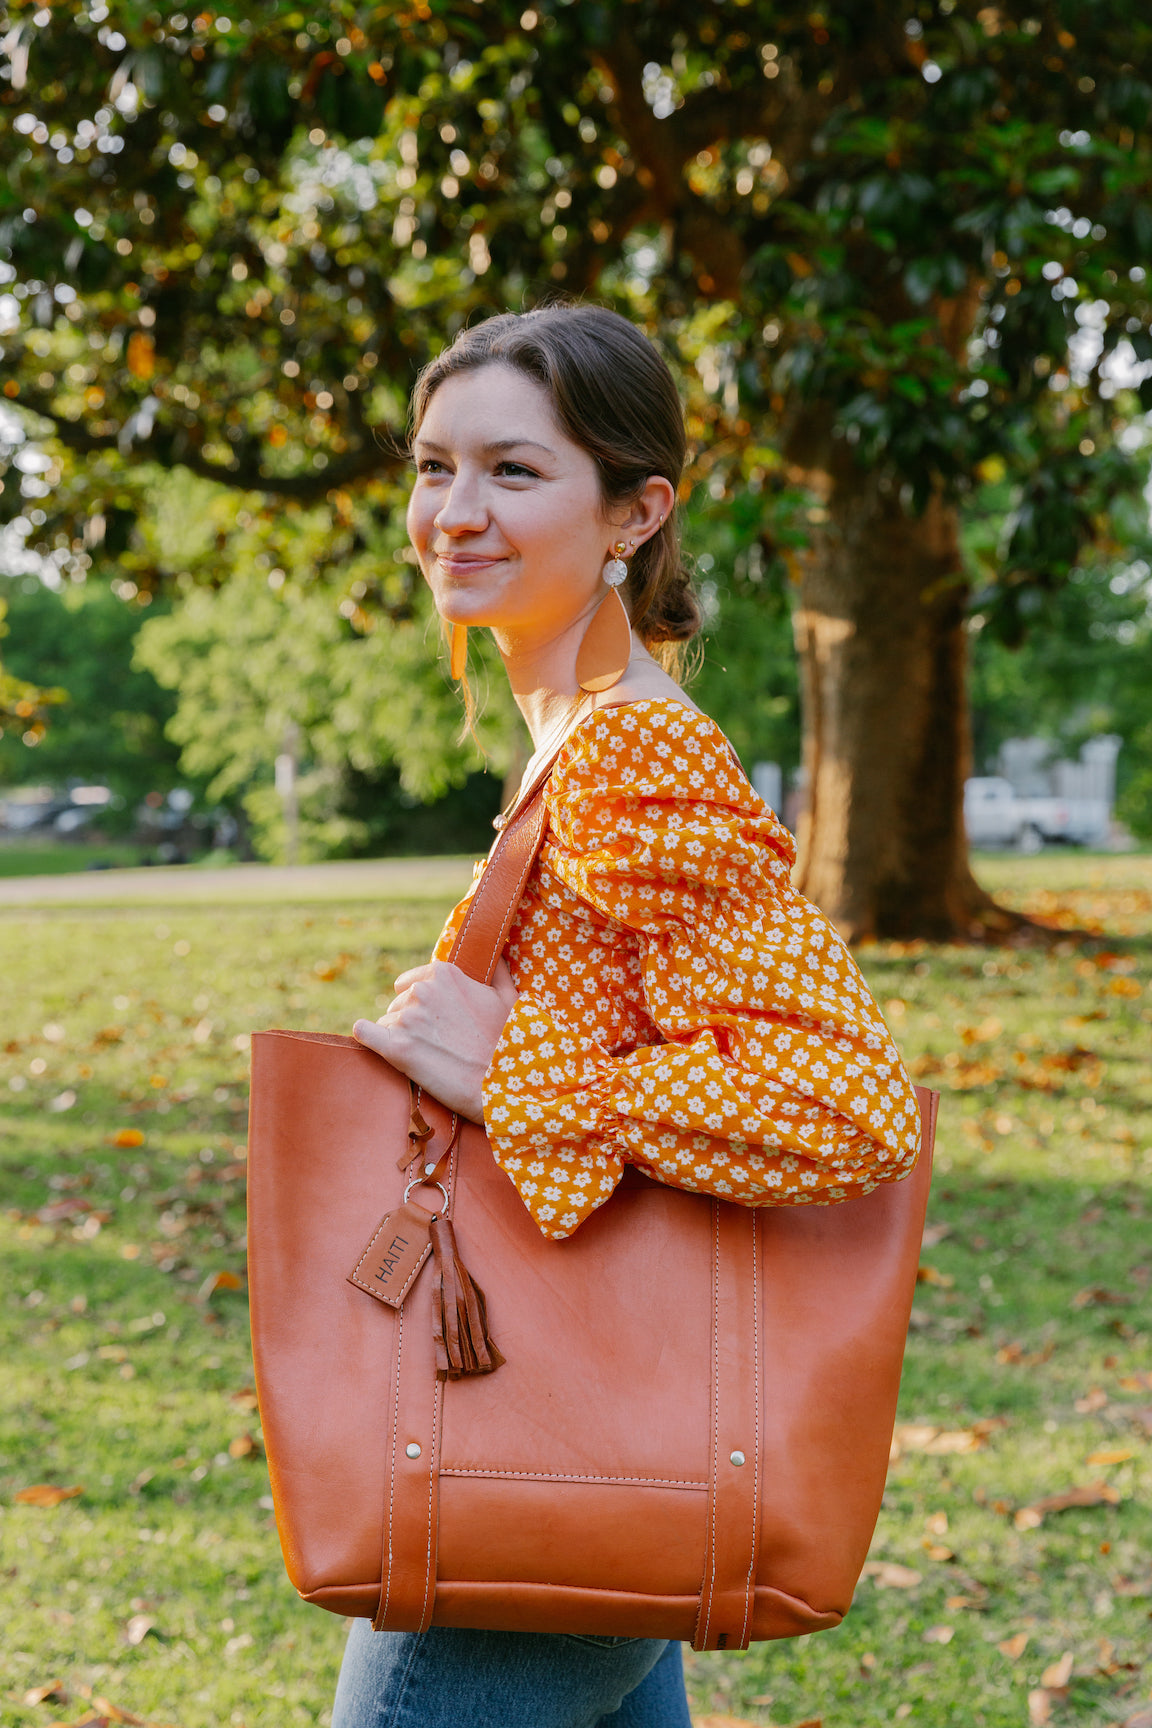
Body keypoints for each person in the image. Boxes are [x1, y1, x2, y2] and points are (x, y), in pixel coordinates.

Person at [335, 302, 921, 1728]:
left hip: (544, 1449)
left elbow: (848, 1106)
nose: (453, 513)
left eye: (513, 472)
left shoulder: (631, 750)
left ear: (635, 512)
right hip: (596, 1424)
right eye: (433, 466)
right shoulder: (571, 739)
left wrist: (523, 1077)